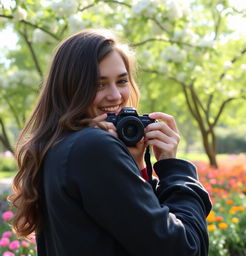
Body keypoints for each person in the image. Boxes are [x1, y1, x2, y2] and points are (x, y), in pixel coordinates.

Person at [9, 28, 212, 256]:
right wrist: (174, 170)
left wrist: (135, 167)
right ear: (70, 89)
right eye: (98, 84)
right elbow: (185, 248)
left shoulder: (56, 146)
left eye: (122, 80)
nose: (115, 95)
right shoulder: (92, 148)